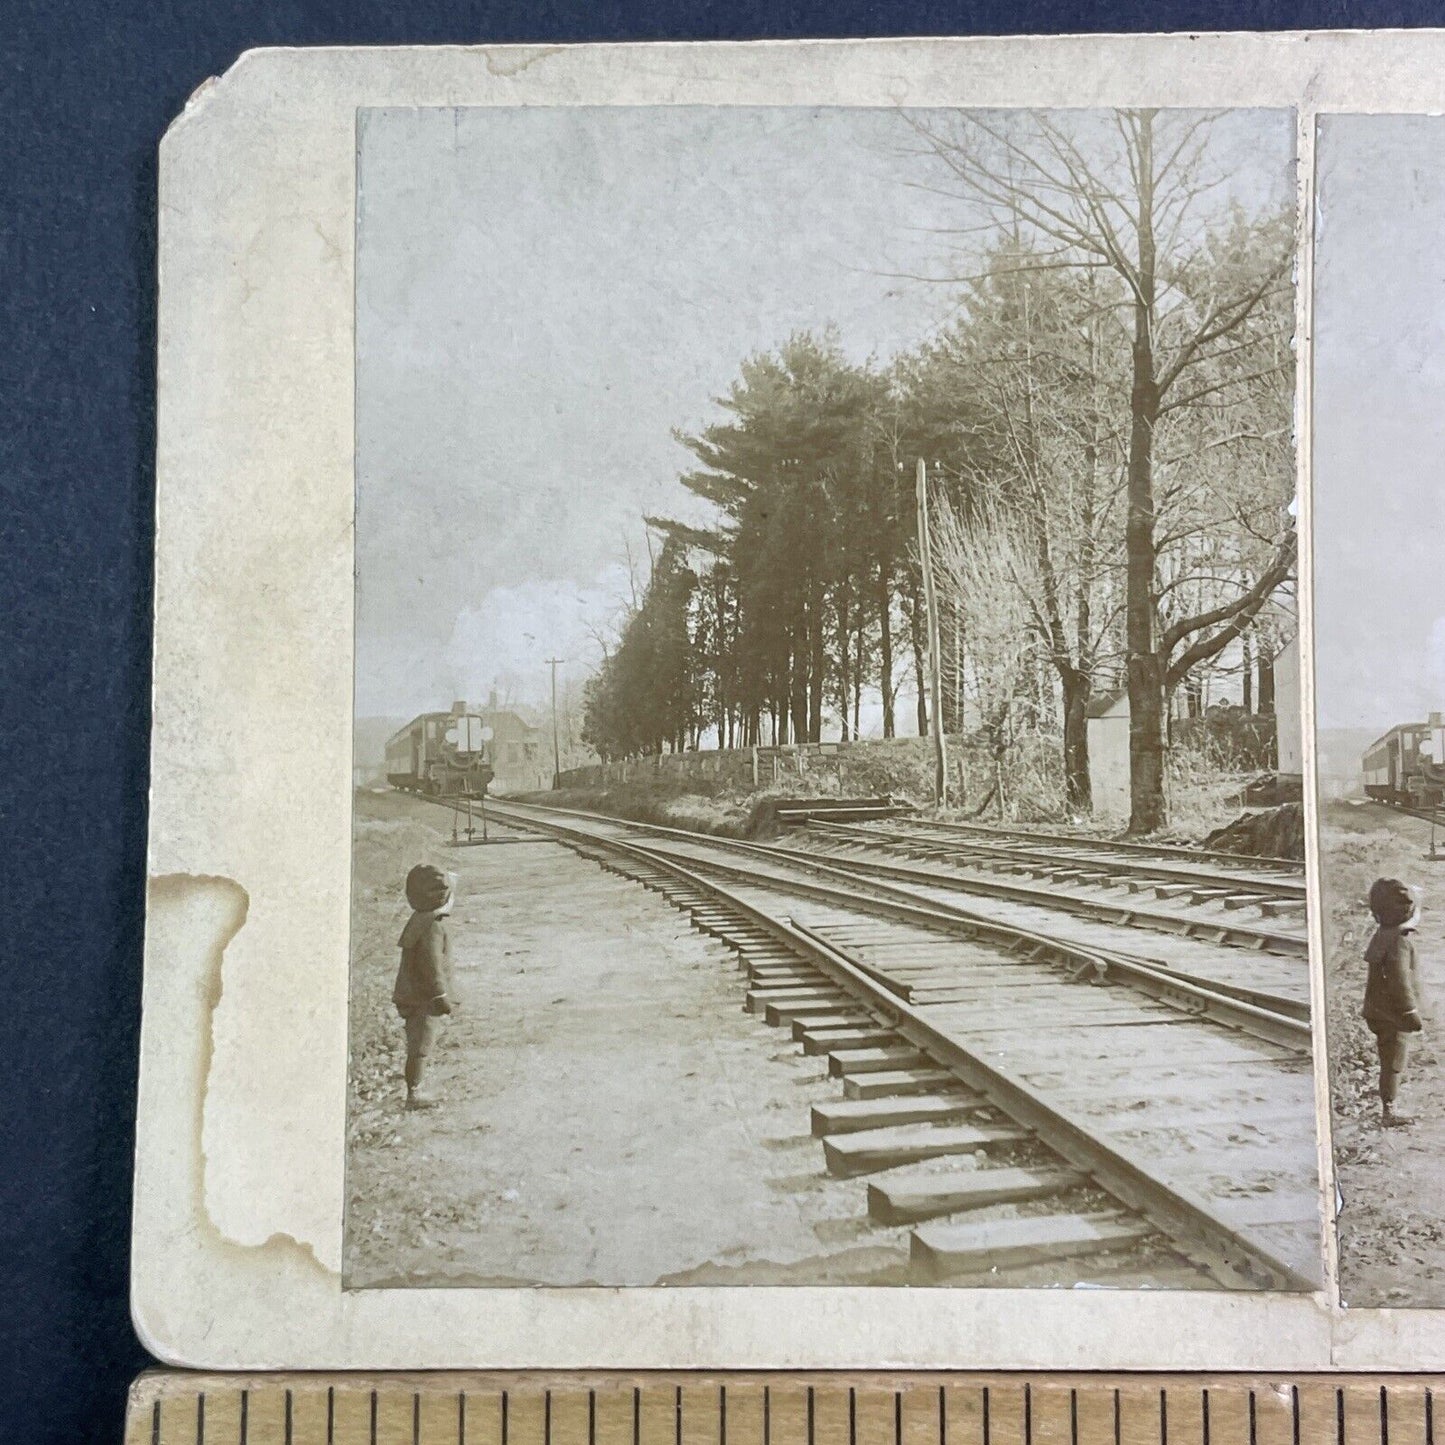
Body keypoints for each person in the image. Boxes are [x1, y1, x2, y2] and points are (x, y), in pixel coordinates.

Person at [394, 863, 456, 1111]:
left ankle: (414, 1090)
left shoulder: (419, 920)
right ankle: (414, 1094)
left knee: (418, 1043)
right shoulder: (432, 926)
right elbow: (432, 966)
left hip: (411, 992)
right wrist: (440, 995)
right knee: (420, 1045)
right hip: (423, 997)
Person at [1363, 876, 1424, 1128]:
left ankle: (1388, 1105)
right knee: (1394, 1062)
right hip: (1393, 1014)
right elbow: (1400, 982)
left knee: (1388, 1059)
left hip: (1377, 1011)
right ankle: (1389, 1110)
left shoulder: (1383, 934)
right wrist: (1410, 1011)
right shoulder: (1400, 940)